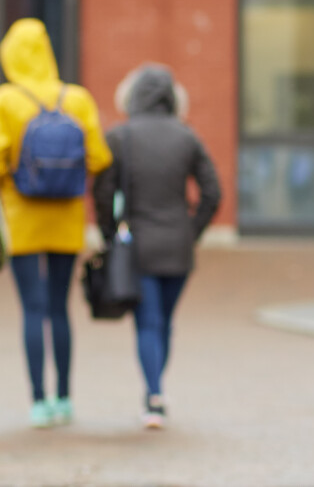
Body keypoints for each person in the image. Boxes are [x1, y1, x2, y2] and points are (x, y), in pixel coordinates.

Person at [0, 18, 112, 428]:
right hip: (67, 219)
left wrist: (16, 179)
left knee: (32, 309)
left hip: (22, 219)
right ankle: (65, 398)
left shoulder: (3, 100)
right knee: (60, 307)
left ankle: (38, 401)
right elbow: (100, 158)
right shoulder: (77, 98)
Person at [93, 63, 222, 430]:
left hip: (140, 246)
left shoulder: (120, 137)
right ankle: (156, 391)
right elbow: (213, 192)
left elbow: (103, 192)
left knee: (146, 322)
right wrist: (192, 230)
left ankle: (153, 396)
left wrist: (109, 233)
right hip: (179, 247)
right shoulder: (187, 137)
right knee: (164, 321)